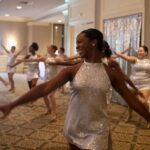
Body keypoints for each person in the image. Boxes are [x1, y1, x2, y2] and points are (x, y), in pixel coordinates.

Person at [0, 28, 149, 150]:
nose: (76, 46)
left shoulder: (110, 72)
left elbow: (132, 101)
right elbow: (44, 88)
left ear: (93, 42)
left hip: (98, 129)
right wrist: (12, 104)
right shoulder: (73, 70)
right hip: (74, 126)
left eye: (79, 42)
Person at [115, 45, 150, 125]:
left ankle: (148, 118)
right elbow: (126, 57)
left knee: (143, 102)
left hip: (145, 85)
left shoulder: (149, 62)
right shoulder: (134, 59)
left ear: (146, 53)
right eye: (138, 51)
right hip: (133, 84)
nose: (139, 52)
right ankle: (130, 115)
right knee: (130, 101)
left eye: (141, 51)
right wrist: (120, 54)